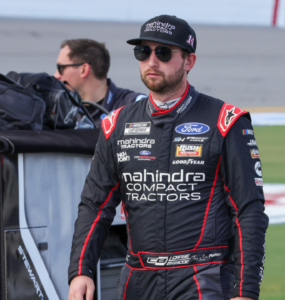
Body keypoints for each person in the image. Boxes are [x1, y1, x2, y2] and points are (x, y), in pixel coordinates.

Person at [68, 15, 268, 300]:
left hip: (203, 279)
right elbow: (95, 205)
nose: (152, 61)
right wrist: (80, 271)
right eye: (143, 51)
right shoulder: (116, 125)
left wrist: (245, 291)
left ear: (189, 61)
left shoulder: (226, 122)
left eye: (163, 52)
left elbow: (248, 211)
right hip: (138, 281)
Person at [54, 39, 146, 128]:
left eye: (61, 68)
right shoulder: (56, 108)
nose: (56, 75)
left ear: (84, 70)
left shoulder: (136, 105)